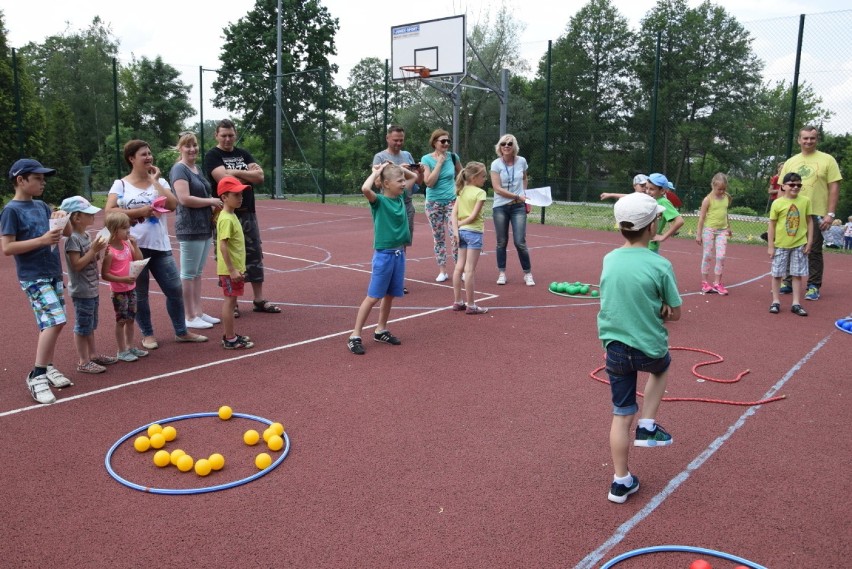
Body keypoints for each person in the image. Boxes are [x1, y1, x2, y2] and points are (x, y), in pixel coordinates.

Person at [597, 192, 682, 504]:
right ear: (652, 226)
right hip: (648, 347)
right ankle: (648, 423)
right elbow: (675, 312)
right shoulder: (660, 264)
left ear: (620, 227)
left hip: (615, 349)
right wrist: (662, 309)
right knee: (661, 367)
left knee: (620, 415)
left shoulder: (609, 259)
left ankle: (621, 481)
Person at [104, 140, 208, 349]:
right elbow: (109, 211)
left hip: (160, 246)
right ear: (131, 158)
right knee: (140, 294)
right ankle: (148, 334)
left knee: (174, 289)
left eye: (150, 154)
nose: (149, 157)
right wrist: (139, 212)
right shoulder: (121, 184)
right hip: (134, 249)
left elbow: (172, 204)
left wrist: (156, 181)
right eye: (143, 154)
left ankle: (181, 331)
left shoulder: (159, 182)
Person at [1, 158, 73, 404]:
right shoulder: (11, 211)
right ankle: (37, 374)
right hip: (33, 275)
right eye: (38, 178)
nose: (43, 183)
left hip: (52, 271)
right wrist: (42, 240)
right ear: (21, 180)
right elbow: (8, 247)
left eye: (44, 178)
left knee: (52, 323)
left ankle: (49, 365)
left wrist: (63, 219)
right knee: (55, 320)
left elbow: (66, 233)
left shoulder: (43, 206)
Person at [205, 119, 280, 317]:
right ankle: (233, 302)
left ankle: (259, 299)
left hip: (248, 212)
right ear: (217, 136)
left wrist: (234, 171)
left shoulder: (243, 153)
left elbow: (260, 178)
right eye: (224, 135)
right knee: (227, 253)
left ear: (235, 134)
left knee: (254, 253)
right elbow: (226, 182)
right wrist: (248, 174)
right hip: (227, 213)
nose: (228, 139)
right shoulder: (212, 156)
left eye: (231, 135)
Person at [347, 162, 417, 355]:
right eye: (399, 180)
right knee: (374, 296)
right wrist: (377, 171)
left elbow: (414, 178)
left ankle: (381, 329)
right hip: (384, 255)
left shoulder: (400, 197)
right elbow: (364, 188)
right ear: (386, 183)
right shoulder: (378, 201)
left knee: (390, 295)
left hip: (399, 254)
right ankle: (355, 335)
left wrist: (398, 168)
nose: (404, 183)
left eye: (403, 180)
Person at [778, 125, 843, 300]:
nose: (808, 141)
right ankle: (788, 281)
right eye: (805, 138)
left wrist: (830, 214)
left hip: (816, 212)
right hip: (792, 212)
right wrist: (778, 212)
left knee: (813, 250)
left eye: (812, 138)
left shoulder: (828, 160)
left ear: (817, 139)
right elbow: (781, 188)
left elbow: (834, 187)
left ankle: (813, 286)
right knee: (788, 247)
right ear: (799, 140)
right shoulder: (791, 162)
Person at [170, 131, 222, 330]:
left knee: (197, 272)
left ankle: (198, 311)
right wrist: (210, 201)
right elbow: (184, 199)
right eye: (187, 145)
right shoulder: (179, 169)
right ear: (180, 148)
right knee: (189, 273)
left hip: (203, 226)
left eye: (194, 145)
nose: (192, 149)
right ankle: (189, 315)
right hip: (189, 227)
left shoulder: (195, 168)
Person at [59, 196, 116, 374]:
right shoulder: (73, 239)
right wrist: (93, 250)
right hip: (82, 290)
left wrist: (99, 251)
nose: (93, 217)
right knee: (82, 326)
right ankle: (83, 361)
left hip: (91, 288)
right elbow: (76, 265)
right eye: (88, 214)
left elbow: (92, 259)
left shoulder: (86, 235)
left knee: (90, 324)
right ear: (76, 218)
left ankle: (92, 355)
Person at [372, 126, 424, 286]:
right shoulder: (380, 157)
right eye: (395, 140)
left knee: (402, 243)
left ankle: (398, 279)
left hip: (406, 204)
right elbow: (376, 183)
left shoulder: (407, 155)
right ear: (388, 138)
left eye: (401, 140)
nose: (398, 143)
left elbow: (418, 183)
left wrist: (419, 172)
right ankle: (383, 276)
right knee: (388, 242)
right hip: (388, 206)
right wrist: (398, 169)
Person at [101, 212, 148, 360]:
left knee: (131, 319)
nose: (129, 231)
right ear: (115, 230)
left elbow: (138, 259)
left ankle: (130, 346)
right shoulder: (109, 251)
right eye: (125, 228)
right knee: (121, 320)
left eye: (128, 228)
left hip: (131, 288)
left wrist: (135, 245)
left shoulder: (127, 244)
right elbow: (105, 275)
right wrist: (122, 279)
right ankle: (121, 351)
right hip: (119, 291)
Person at [490, 133, 534, 286]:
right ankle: (502, 273)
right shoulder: (496, 164)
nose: (506, 146)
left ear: (514, 146)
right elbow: (497, 188)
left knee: (520, 241)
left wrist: (525, 195)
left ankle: (527, 273)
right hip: (500, 206)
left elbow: (524, 178)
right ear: (499, 147)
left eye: (509, 143)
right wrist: (517, 195)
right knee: (501, 241)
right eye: (503, 144)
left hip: (518, 207)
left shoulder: (522, 161)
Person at [216, 177, 255, 350]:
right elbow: (223, 245)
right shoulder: (226, 218)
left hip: (235, 268)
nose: (240, 198)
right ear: (224, 197)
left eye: (241, 194)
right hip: (229, 270)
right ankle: (229, 338)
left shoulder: (231, 215)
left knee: (232, 302)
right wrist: (231, 269)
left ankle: (230, 334)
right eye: (236, 195)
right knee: (230, 303)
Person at [768, 173, 812, 317]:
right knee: (777, 274)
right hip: (781, 244)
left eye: (798, 185)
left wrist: (809, 241)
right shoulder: (777, 203)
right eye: (792, 184)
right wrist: (771, 245)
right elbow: (772, 225)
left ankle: (796, 303)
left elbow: (810, 221)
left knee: (797, 274)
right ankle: (775, 301)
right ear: (783, 186)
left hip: (799, 244)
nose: (795, 187)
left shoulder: (805, 201)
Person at [421, 129, 462, 282]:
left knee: (456, 236)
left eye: (448, 141)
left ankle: (459, 269)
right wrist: (439, 163)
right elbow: (429, 182)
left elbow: (462, 174)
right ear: (434, 143)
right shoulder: (426, 159)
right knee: (439, 237)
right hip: (434, 203)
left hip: (452, 201)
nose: (446, 144)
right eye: (442, 141)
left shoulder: (453, 157)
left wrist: (460, 190)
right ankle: (443, 271)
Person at [451, 161, 488, 315]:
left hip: (462, 233)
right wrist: (461, 224)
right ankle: (471, 305)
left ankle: (458, 301)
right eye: (483, 176)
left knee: (459, 267)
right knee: (470, 269)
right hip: (474, 233)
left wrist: (456, 229)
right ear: (474, 177)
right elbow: (473, 216)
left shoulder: (462, 191)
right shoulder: (480, 193)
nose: (485, 179)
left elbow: (453, 214)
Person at [695, 173, 733, 295]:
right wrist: (698, 234)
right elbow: (701, 218)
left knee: (721, 256)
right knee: (707, 255)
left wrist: (729, 227)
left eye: (724, 189)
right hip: (709, 230)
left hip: (722, 231)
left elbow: (725, 213)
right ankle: (705, 282)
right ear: (713, 186)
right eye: (719, 189)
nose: (721, 191)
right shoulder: (707, 200)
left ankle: (717, 283)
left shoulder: (726, 197)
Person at [644, 173, 684, 254]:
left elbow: (680, 221)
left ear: (662, 191)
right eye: (646, 188)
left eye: (651, 189)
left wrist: (663, 237)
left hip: (650, 246)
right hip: (640, 243)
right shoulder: (648, 200)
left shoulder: (663, 202)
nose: (647, 191)